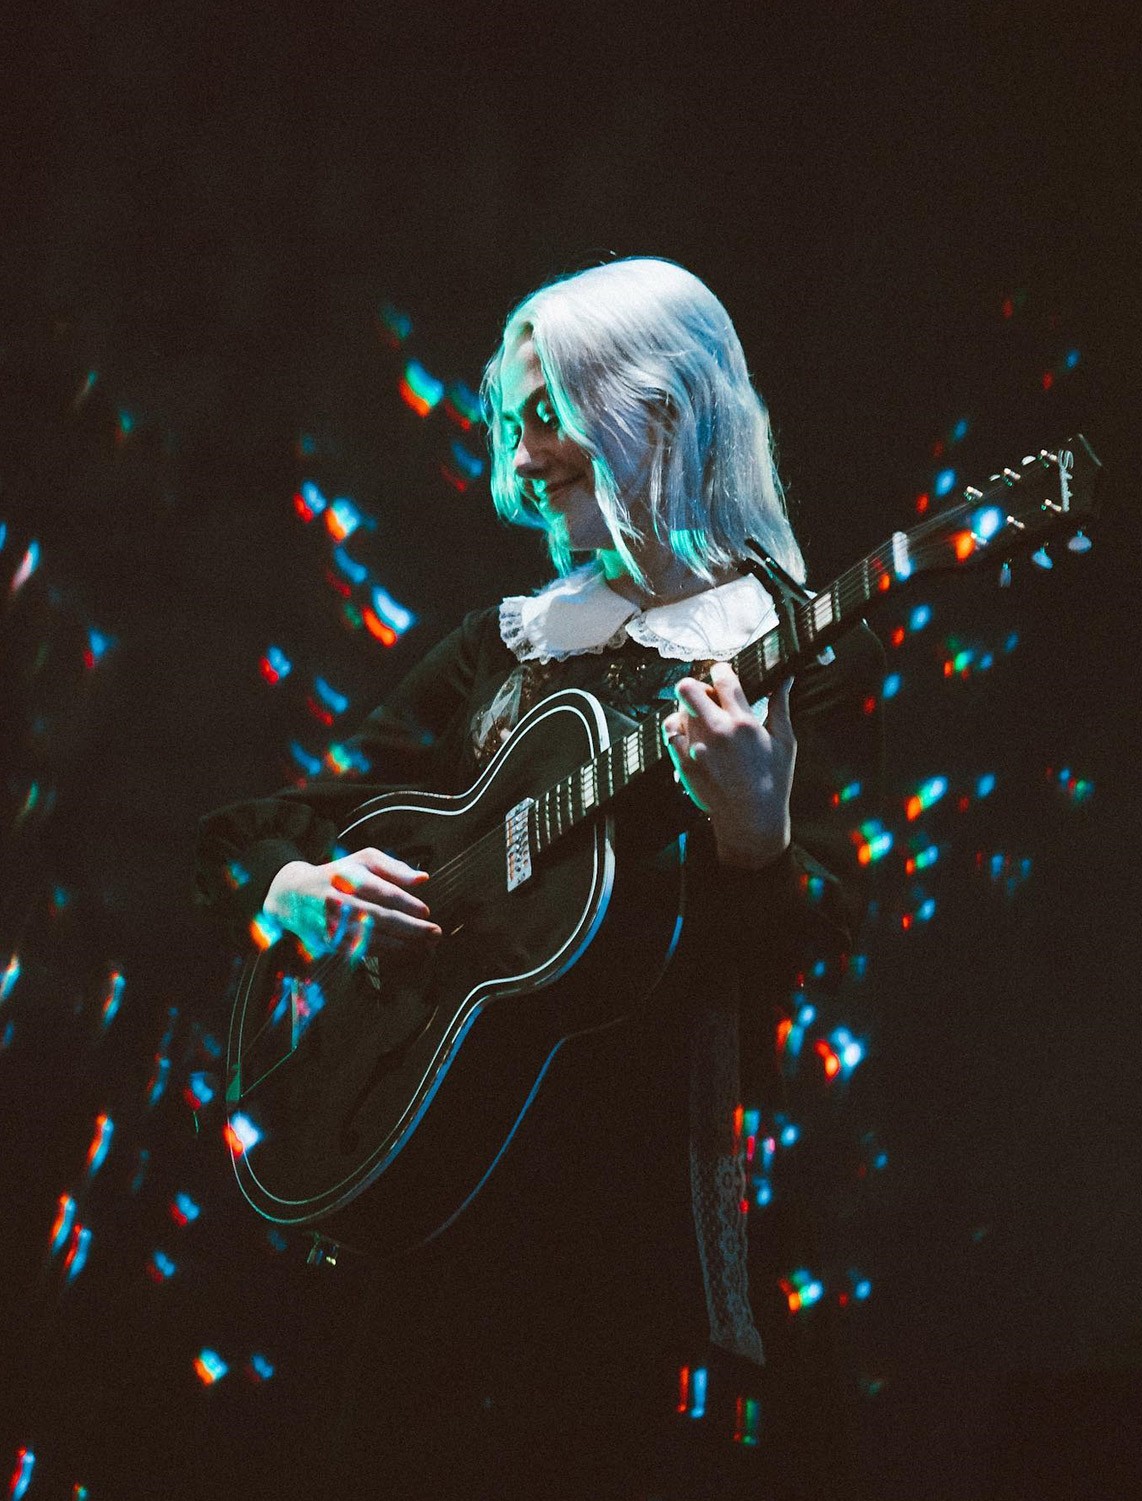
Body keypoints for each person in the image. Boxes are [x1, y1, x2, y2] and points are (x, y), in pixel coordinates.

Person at [195, 257, 884, 1500]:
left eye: (543, 416)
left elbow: (822, 950)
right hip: (442, 1224)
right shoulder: (500, 649)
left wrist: (755, 838)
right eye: (509, 429)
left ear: (658, 405)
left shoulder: (792, 653)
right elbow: (271, 824)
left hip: (640, 1257)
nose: (519, 462)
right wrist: (293, 890)